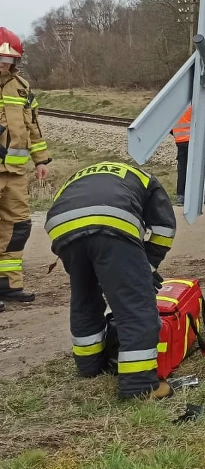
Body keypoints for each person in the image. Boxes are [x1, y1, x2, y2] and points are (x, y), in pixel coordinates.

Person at [45, 160, 176, 399]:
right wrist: (145, 269)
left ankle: (89, 366)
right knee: (135, 306)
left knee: (85, 296)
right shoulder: (147, 180)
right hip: (112, 225)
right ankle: (140, 386)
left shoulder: (82, 175)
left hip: (62, 228)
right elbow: (164, 229)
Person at [0, 27, 51, 309]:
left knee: (17, 227)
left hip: (15, 174)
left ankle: (8, 284)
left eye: (8, 58)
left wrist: (41, 160)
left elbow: (33, 127)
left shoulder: (21, 87)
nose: (3, 62)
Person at [172, 91, 205, 206]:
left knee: (183, 170)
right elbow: (201, 123)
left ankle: (181, 197)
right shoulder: (194, 106)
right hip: (194, 141)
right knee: (203, 169)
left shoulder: (175, 108)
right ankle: (201, 196)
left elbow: (170, 127)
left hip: (180, 142)